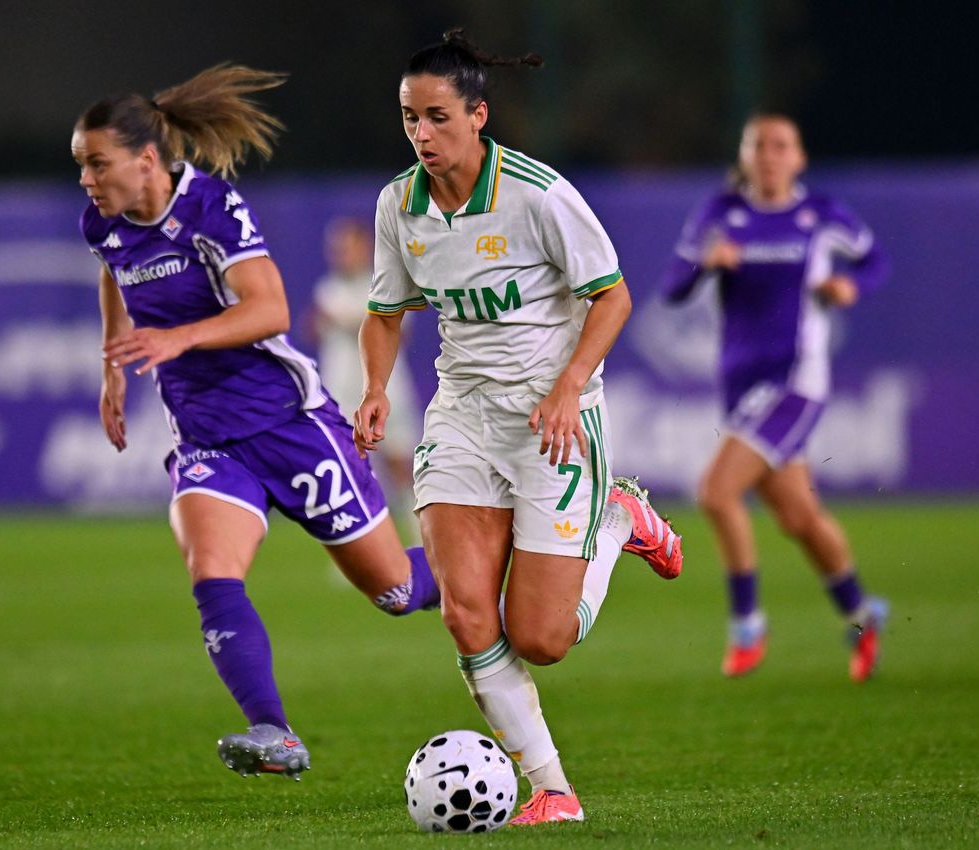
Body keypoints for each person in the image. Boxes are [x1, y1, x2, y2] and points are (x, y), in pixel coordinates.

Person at [70, 63, 443, 781]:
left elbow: (269, 310)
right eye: (80, 165)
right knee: (210, 568)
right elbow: (110, 270)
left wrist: (176, 338)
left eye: (97, 163)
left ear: (146, 159)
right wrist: (112, 366)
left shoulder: (209, 206)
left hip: (286, 420)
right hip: (207, 436)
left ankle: (496, 561)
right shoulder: (104, 222)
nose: (86, 180)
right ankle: (274, 731)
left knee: (395, 592)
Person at [355, 30, 683, 826]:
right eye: (408, 118)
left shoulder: (537, 195)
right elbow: (383, 311)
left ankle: (618, 523)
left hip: (552, 424)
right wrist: (373, 388)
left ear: (478, 114)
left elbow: (612, 297)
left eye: (436, 117)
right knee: (466, 613)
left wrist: (570, 387)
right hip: (462, 418)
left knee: (540, 638)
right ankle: (552, 790)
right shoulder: (399, 205)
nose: (421, 135)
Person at [661, 113, 891, 682]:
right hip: (739, 384)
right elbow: (671, 288)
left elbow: (875, 260)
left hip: (795, 382)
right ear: (744, 156)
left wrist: (849, 286)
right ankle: (864, 617)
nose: (769, 155)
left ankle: (747, 628)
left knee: (715, 493)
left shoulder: (820, 215)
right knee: (798, 516)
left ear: (799, 157)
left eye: (781, 145)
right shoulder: (720, 214)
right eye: (758, 145)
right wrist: (701, 264)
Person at [311, 217, 421, 531]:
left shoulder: (383, 284)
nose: (341, 254)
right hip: (343, 395)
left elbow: (397, 329)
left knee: (401, 465)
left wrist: (349, 320)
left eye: (347, 247)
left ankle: (421, 537)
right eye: (336, 249)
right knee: (348, 469)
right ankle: (358, 542)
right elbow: (318, 328)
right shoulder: (328, 289)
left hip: (387, 389)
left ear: (365, 247)